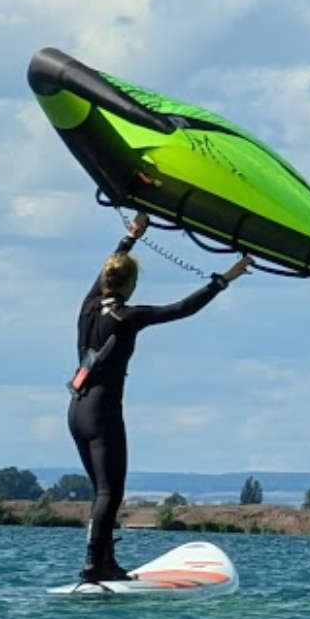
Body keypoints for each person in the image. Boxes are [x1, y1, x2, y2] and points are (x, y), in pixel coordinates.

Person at [68, 212, 252, 584]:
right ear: (131, 284)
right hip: (103, 412)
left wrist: (131, 237)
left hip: (76, 409)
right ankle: (94, 565)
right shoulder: (128, 317)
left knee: (101, 491)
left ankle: (104, 560)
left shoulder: (87, 307)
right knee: (110, 491)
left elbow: (103, 273)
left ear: (105, 280)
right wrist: (226, 278)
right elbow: (182, 309)